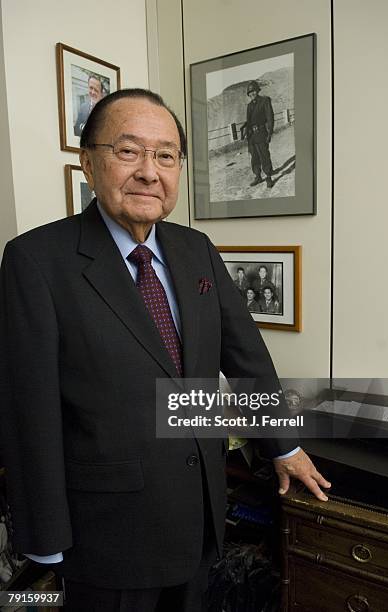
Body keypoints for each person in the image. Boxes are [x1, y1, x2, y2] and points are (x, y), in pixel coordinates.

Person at [0, 88, 330, 612]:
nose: (149, 172)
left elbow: (247, 360)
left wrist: (283, 446)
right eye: (128, 151)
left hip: (199, 517)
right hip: (104, 537)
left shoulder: (195, 248)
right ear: (88, 162)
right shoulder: (35, 261)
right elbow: (28, 415)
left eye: (166, 155)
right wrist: (44, 547)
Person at [244, 80, 275, 188]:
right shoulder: (249, 106)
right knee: (254, 157)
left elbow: (270, 117)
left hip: (261, 133)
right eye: (250, 92)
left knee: (264, 156)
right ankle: (258, 176)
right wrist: (245, 129)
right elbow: (249, 121)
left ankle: (268, 177)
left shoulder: (265, 101)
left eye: (254, 91)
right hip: (252, 136)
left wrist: (270, 132)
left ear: (257, 91)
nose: (252, 94)